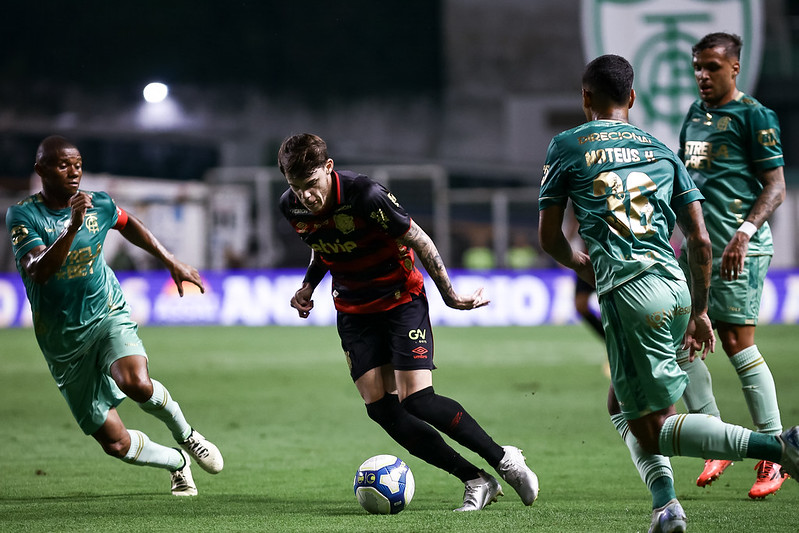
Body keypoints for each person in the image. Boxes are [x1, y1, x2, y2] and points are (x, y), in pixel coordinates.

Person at [537, 54, 799, 533]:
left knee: (652, 426)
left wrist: (581, 264)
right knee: (621, 403)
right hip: (676, 287)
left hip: (630, 293)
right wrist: (699, 309)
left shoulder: (567, 145)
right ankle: (665, 506)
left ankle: (779, 447)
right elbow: (699, 241)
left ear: (585, 98)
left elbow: (550, 237)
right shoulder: (661, 150)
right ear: (632, 98)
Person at [277, 133, 539, 512]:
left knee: (418, 399)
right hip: (353, 311)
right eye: (297, 187)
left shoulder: (365, 195)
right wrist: (308, 286)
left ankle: (504, 460)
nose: (306, 197)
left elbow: (419, 239)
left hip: (401, 301)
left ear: (329, 168)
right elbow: (324, 246)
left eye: (312, 185)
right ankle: (475, 479)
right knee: (381, 408)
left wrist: (450, 295)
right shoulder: (292, 206)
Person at [5, 136, 224, 496]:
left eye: (77, 164)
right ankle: (177, 463)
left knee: (135, 381)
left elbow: (127, 222)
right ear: (41, 170)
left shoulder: (98, 204)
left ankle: (188, 436)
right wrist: (72, 226)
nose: (74, 172)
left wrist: (170, 260)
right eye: (63, 165)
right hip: (62, 342)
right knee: (116, 444)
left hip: (106, 313)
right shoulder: (24, 215)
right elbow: (38, 271)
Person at [675, 32, 789, 499]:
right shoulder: (694, 116)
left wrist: (743, 231)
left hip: (739, 249)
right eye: (698, 66)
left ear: (734, 69)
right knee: (679, 335)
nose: (702, 75)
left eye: (712, 67)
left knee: (736, 342)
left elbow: (776, 185)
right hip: (698, 250)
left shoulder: (755, 115)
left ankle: (777, 450)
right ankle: (714, 437)